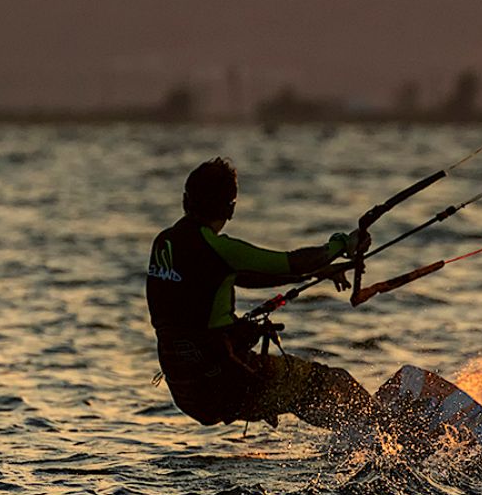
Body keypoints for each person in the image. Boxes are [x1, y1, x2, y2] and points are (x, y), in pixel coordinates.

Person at [146, 157, 379, 433]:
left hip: (187, 387)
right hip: (227, 382)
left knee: (301, 395)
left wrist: (317, 272)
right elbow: (291, 262)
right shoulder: (219, 249)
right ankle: (384, 431)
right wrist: (342, 245)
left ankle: (360, 435)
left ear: (186, 201)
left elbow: (241, 276)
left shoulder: (165, 242)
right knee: (329, 382)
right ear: (230, 209)